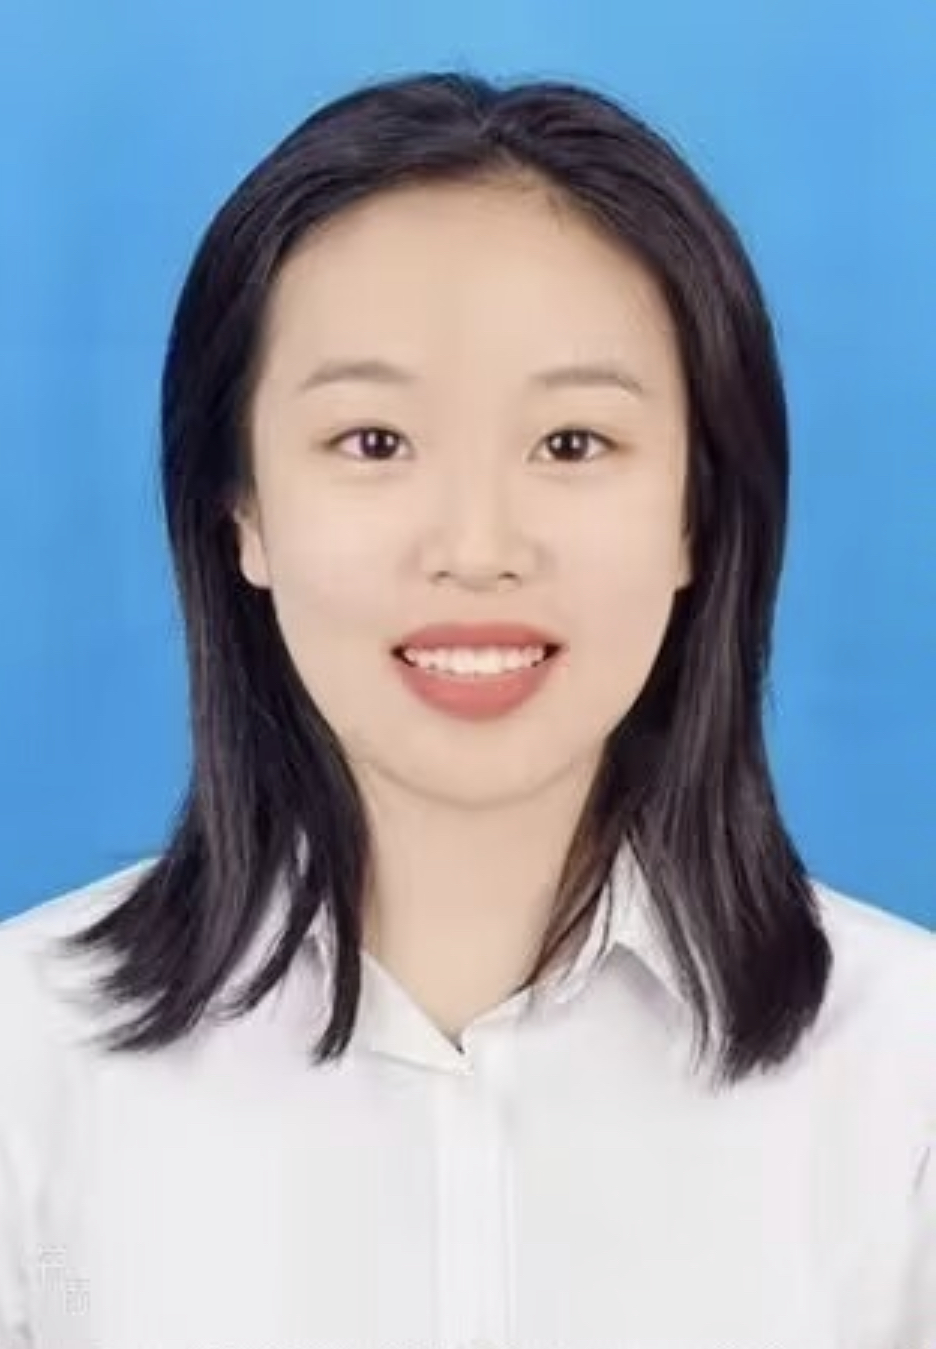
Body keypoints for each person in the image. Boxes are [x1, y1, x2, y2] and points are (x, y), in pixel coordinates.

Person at [0, 68, 932, 1349]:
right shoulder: (26, 1065)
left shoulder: (905, 1080)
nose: (478, 547)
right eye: (374, 442)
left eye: (572, 444)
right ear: (244, 512)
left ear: (698, 514)